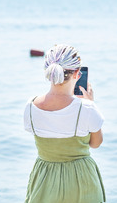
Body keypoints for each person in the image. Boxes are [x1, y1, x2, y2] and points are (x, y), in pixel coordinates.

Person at [24, 44, 106, 203]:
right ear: (77, 73)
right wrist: (90, 103)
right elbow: (96, 143)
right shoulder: (86, 108)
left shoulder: (30, 106)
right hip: (81, 180)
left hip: (45, 178)